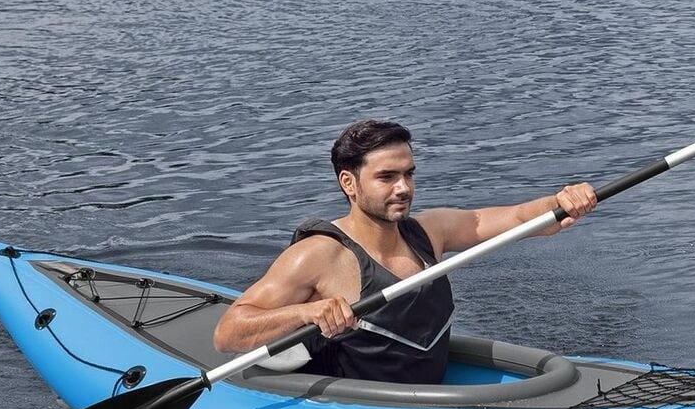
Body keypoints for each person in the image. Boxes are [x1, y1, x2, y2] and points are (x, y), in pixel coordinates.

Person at [214, 118, 597, 385]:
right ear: (349, 182)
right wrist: (307, 312)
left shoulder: (430, 232)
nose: (403, 188)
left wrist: (560, 202)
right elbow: (228, 332)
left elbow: (515, 219)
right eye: (386, 177)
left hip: (428, 397)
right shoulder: (318, 255)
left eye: (408, 174)